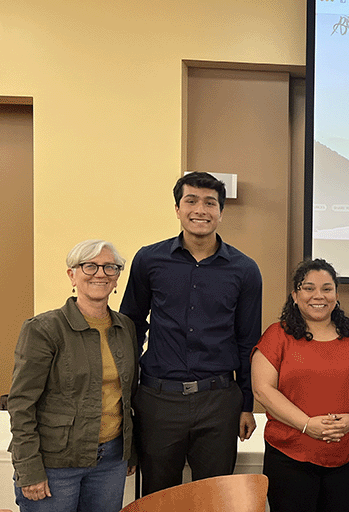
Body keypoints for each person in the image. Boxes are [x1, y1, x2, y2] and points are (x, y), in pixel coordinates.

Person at [120, 171, 263, 495]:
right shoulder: (149, 259)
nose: (201, 209)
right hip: (158, 400)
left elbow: (248, 340)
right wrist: (128, 394)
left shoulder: (244, 270)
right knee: (158, 496)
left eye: (210, 202)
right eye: (191, 200)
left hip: (218, 401)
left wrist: (246, 404)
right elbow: (132, 325)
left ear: (221, 212)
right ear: (177, 208)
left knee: (214, 497)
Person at [8, 239, 137, 512]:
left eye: (109, 268)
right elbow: (21, 405)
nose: (100, 274)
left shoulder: (125, 327)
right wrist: (29, 469)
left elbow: (127, 397)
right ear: (72, 275)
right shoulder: (43, 329)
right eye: (89, 266)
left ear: (116, 279)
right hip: (55, 464)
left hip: (111, 462)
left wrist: (129, 451)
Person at [251, 258, 349, 512]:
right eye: (308, 288)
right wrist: (306, 424)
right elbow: (263, 389)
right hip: (290, 455)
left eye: (327, 288)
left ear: (336, 294)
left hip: (345, 453)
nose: (318, 296)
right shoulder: (277, 335)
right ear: (295, 295)